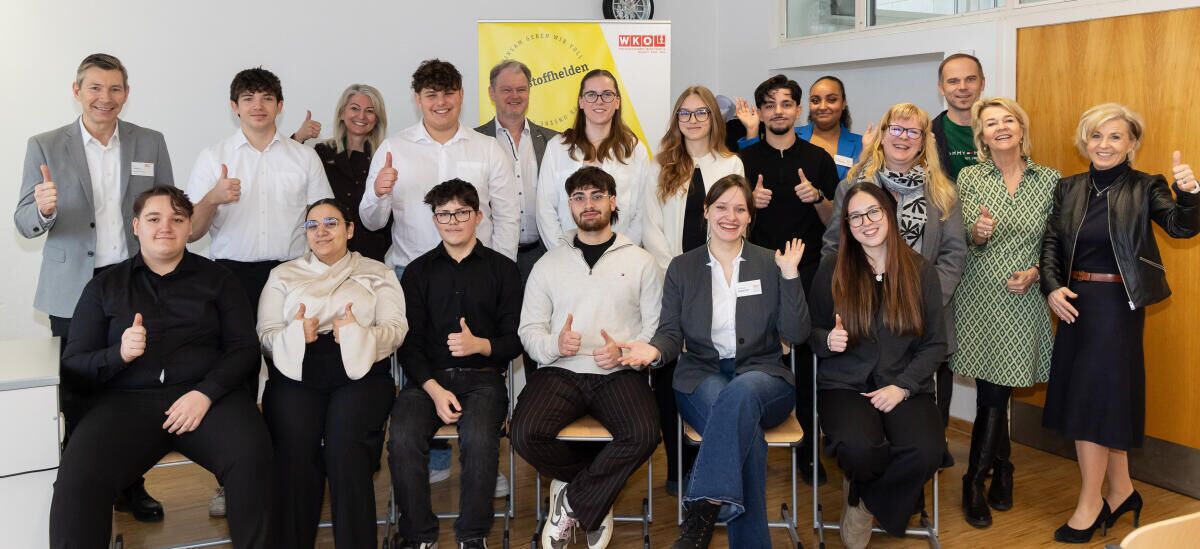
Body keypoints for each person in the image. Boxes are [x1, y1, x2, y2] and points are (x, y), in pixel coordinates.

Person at [50, 186, 273, 548]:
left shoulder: (219, 280)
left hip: (206, 398)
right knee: (78, 480)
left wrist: (206, 393)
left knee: (253, 459)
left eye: (177, 219)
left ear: (190, 228)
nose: (165, 227)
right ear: (136, 226)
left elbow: (244, 349)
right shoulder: (104, 286)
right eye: (154, 218)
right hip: (125, 403)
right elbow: (75, 363)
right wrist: (119, 354)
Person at [14, 52, 173, 523]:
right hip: (71, 288)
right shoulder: (45, 145)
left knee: (132, 387)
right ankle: (82, 491)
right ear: (77, 91)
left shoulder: (149, 141)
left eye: (115, 88)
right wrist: (43, 209)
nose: (106, 98)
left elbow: (165, 208)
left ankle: (130, 486)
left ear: (126, 92)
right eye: (95, 88)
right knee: (79, 390)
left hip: (131, 280)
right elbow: (23, 221)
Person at [1040, 103, 1199, 543]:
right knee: (1101, 400)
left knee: (1092, 403)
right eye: (1096, 135)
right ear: (1084, 141)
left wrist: (1190, 194)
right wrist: (1051, 287)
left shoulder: (1147, 186)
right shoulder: (1068, 187)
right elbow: (1051, 242)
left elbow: (1181, 227)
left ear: (1132, 143)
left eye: (1115, 136)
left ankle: (1090, 504)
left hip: (1117, 307)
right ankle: (1123, 490)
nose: (1104, 144)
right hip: (1074, 305)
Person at [622, 175, 809, 549]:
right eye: (722, 207)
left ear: (750, 216)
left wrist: (790, 276)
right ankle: (721, 519)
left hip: (763, 375)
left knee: (743, 392)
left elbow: (797, 333)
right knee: (745, 434)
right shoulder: (682, 268)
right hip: (702, 375)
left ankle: (701, 507)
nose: (730, 216)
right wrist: (655, 351)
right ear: (706, 211)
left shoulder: (770, 262)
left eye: (740, 209)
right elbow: (671, 332)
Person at [186, 66, 333, 516]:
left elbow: (323, 219)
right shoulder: (214, 156)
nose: (258, 105)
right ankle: (232, 480)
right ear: (234, 107)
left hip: (292, 276)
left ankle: (295, 472)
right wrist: (212, 198)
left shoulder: (303, 158)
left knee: (295, 374)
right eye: (248, 98)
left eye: (266, 97)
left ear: (279, 105)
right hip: (231, 277)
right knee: (237, 378)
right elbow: (191, 231)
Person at [512, 166, 663, 549]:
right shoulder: (549, 263)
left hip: (619, 372)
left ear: (613, 202)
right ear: (570, 206)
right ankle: (594, 494)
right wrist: (555, 345)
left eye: (597, 195)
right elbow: (529, 330)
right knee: (524, 433)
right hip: (561, 370)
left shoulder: (641, 261)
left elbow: (655, 328)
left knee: (644, 433)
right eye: (578, 197)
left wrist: (625, 351)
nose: (588, 204)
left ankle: (574, 502)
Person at [823, 103, 966, 471]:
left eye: (913, 131)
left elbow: (953, 255)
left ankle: (908, 487)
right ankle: (871, 484)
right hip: (862, 324)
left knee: (923, 438)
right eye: (897, 129)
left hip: (919, 323)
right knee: (865, 435)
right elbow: (834, 247)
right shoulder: (853, 185)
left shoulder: (943, 192)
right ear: (882, 135)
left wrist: (922, 300)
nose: (904, 138)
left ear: (924, 140)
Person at [257, 198, 407, 548]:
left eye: (331, 223)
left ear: (350, 230)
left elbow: (396, 329)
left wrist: (358, 334)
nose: (321, 231)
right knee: (295, 453)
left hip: (361, 372)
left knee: (346, 452)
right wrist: (297, 334)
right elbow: (265, 335)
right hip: (297, 371)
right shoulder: (282, 275)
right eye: (313, 225)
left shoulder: (377, 272)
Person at [809, 182, 948, 548]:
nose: (866, 222)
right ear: (846, 225)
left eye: (873, 212)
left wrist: (903, 387)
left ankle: (864, 501)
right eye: (855, 217)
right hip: (845, 385)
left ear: (889, 213)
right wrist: (827, 340)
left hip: (904, 383)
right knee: (860, 449)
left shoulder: (920, 271)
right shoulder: (831, 268)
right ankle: (869, 484)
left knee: (927, 451)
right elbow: (811, 331)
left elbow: (936, 344)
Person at [388, 180, 523, 549]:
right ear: (434, 220)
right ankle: (418, 535)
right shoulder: (417, 272)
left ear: (478, 216)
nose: (453, 221)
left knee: (479, 440)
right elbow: (408, 345)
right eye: (444, 214)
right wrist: (433, 390)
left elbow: (516, 339)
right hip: (427, 382)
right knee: (402, 439)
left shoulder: (503, 270)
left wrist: (480, 345)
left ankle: (472, 535)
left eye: (461, 212)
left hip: (483, 380)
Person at [949, 97, 1059, 528]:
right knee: (992, 390)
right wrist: (977, 232)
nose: (1000, 127)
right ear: (982, 136)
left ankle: (981, 476)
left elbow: (1057, 240)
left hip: (1023, 299)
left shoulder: (1049, 179)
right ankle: (989, 475)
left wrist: (1036, 272)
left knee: (998, 390)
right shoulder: (970, 176)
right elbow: (960, 236)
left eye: (1007, 119)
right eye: (990, 123)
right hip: (978, 297)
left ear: (1021, 127)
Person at [640, 85, 743, 496]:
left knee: (709, 369)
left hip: (718, 281)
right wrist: (679, 274)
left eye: (701, 113)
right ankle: (677, 467)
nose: (694, 120)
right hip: (670, 280)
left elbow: (735, 219)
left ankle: (706, 465)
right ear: (676, 120)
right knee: (669, 373)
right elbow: (649, 226)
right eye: (685, 113)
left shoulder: (731, 162)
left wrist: (708, 276)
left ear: (713, 119)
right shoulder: (659, 165)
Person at [737, 74, 840, 484]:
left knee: (808, 361)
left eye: (786, 104)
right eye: (770, 104)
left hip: (810, 272)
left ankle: (809, 453)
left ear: (798, 111)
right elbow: (729, 224)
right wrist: (751, 206)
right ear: (760, 113)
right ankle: (752, 447)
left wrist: (817, 198)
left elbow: (834, 222)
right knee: (760, 358)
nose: (778, 111)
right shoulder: (742, 161)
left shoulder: (819, 159)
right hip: (758, 272)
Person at [475, 61, 559, 496]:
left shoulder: (554, 141)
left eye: (521, 88)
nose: (514, 96)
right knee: (492, 357)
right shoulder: (473, 141)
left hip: (543, 256)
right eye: (505, 89)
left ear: (530, 91)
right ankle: (490, 460)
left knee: (544, 353)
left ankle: (549, 451)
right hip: (492, 260)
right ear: (491, 92)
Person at [360, 58, 520, 275]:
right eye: (431, 95)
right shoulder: (392, 149)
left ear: (461, 95)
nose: (441, 102)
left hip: (477, 271)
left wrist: (501, 270)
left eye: (449, 93)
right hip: (411, 271)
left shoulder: (488, 148)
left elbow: (507, 216)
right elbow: (372, 223)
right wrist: (378, 193)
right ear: (417, 98)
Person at [535, 69, 653, 249]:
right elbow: (545, 209)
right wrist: (564, 253)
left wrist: (622, 252)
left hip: (622, 254)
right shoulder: (557, 148)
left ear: (617, 102)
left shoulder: (636, 150)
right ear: (581, 102)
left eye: (607, 94)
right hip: (566, 253)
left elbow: (644, 211)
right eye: (591, 94)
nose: (599, 100)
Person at [291, 84, 394, 263]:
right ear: (341, 113)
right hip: (327, 254)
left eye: (370, 111)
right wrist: (298, 138)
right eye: (354, 108)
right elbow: (286, 173)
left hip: (370, 255)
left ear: (377, 118)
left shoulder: (385, 157)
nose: (361, 116)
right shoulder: (322, 152)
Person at [734, 76, 864, 180]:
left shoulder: (863, 144)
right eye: (815, 100)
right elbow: (756, 162)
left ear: (843, 103)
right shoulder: (787, 135)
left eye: (832, 99)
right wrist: (752, 129)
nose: (823, 107)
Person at [932, 53, 986, 181]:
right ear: (941, 88)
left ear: (982, 84)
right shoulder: (927, 135)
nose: (963, 87)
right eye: (953, 81)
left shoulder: (1003, 131)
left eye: (970, 79)